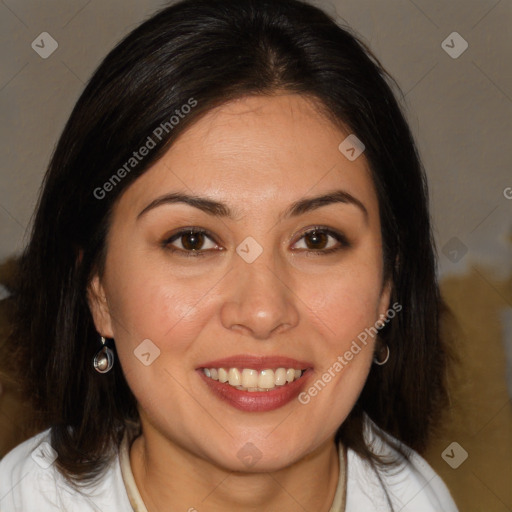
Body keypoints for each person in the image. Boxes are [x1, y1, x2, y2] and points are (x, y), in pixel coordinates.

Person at [0, 0, 459, 510]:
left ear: (386, 288)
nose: (262, 311)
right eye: (193, 240)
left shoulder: (418, 498)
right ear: (98, 289)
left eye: (317, 239)